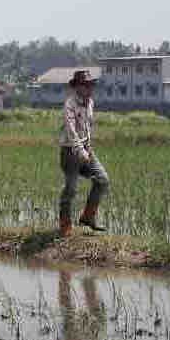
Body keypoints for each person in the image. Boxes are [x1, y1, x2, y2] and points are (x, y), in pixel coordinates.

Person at [59, 69, 109, 236]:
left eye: (90, 85)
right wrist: (81, 151)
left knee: (102, 180)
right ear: (77, 87)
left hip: (86, 149)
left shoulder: (91, 103)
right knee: (71, 189)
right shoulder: (70, 104)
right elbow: (71, 131)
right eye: (85, 85)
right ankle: (65, 224)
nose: (89, 88)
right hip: (70, 151)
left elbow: (88, 127)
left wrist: (88, 147)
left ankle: (88, 216)